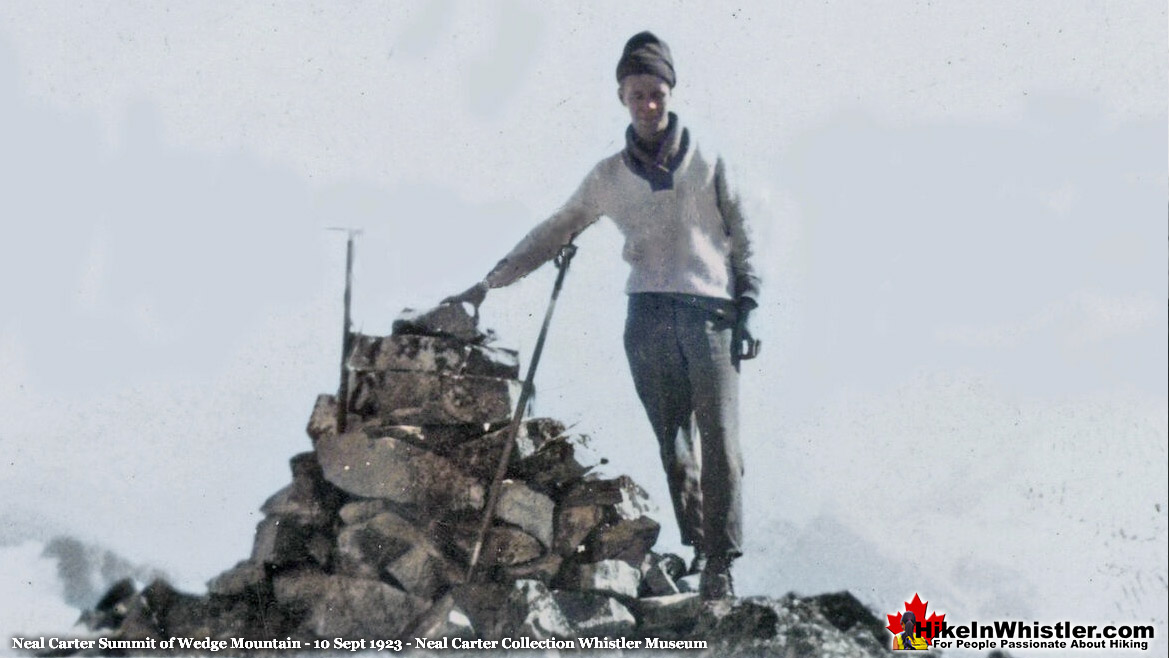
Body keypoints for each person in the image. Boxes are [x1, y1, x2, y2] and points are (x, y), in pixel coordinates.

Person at [445, 31, 760, 600]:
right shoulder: (607, 177)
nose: (649, 105)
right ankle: (697, 549)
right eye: (638, 93)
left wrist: (751, 303)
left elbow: (742, 234)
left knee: (721, 441)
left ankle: (722, 562)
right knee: (673, 442)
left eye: (657, 93)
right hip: (648, 318)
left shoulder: (709, 160)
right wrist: (491, 281)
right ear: (622, 97)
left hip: (710, 315)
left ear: (671, 92)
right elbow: (557, 228)